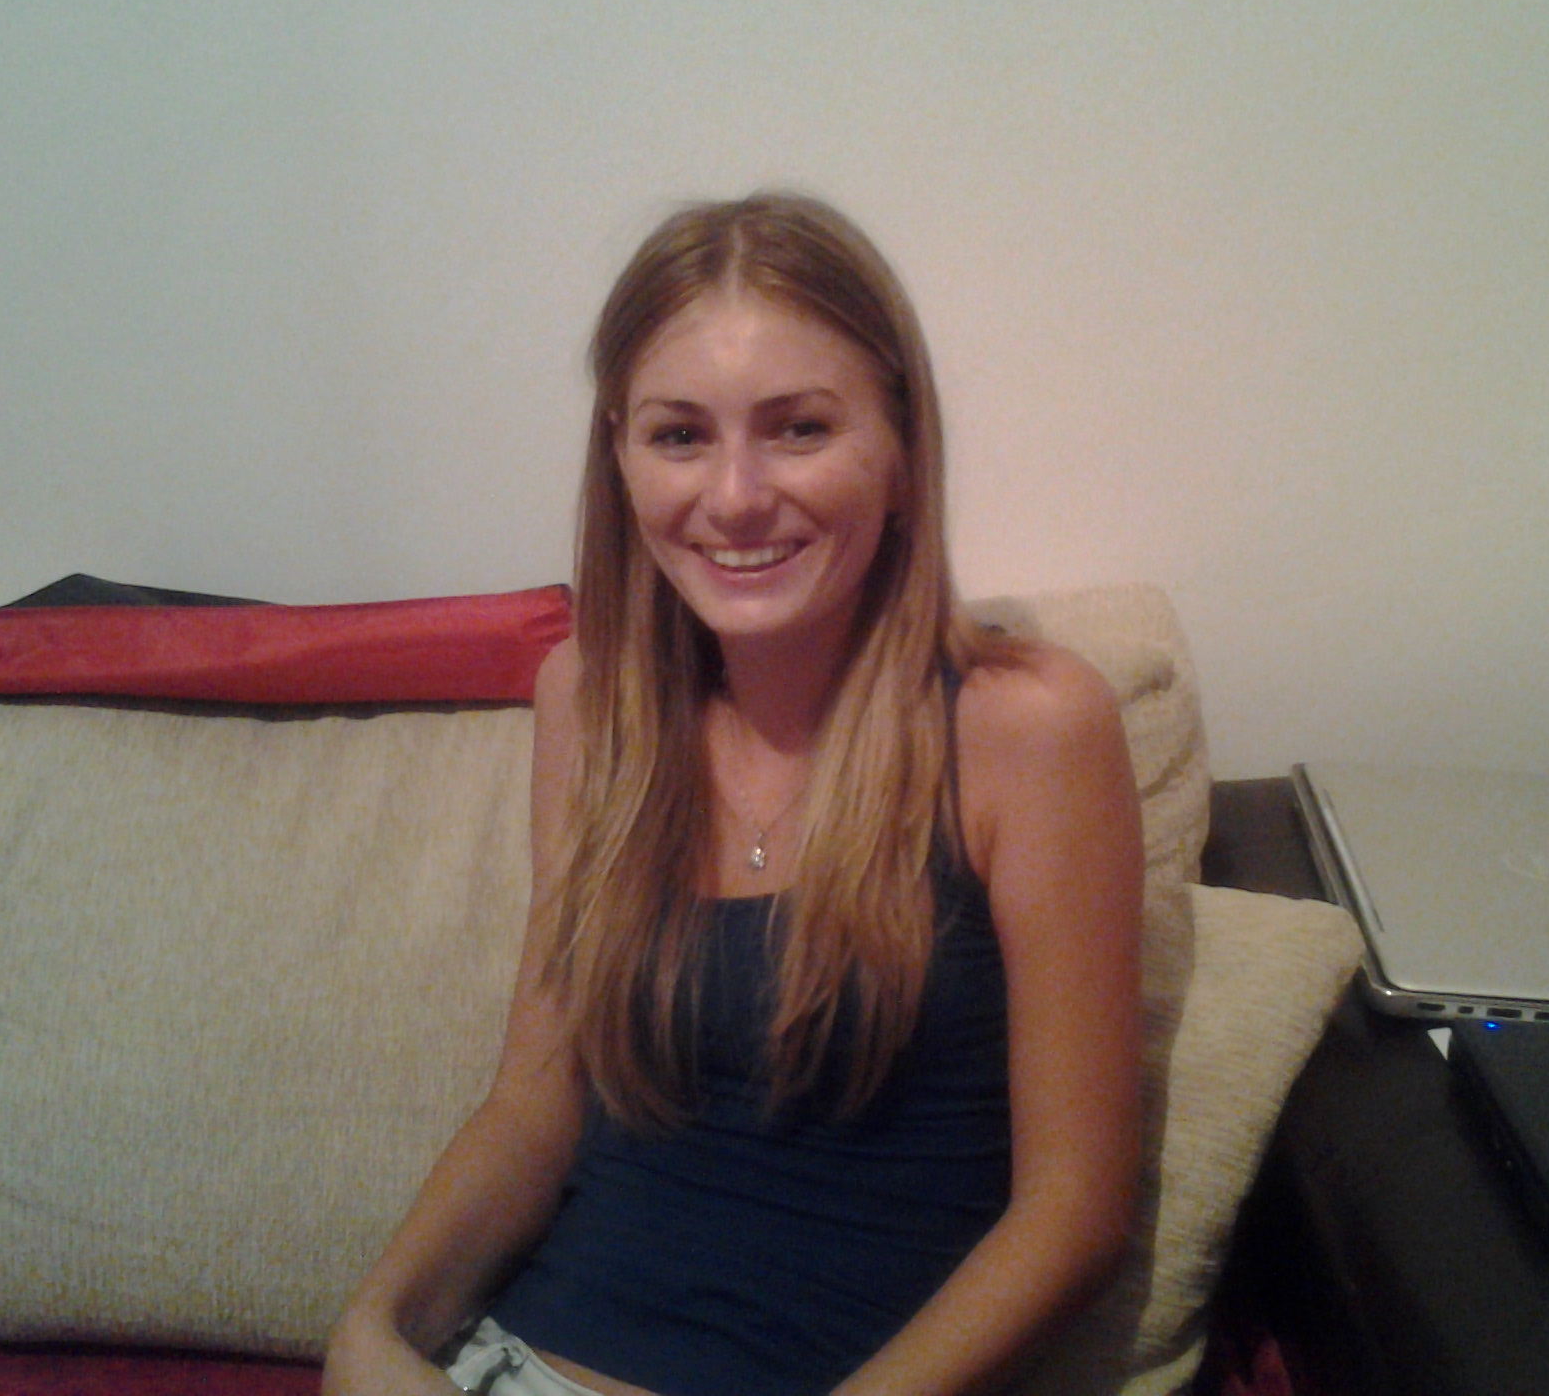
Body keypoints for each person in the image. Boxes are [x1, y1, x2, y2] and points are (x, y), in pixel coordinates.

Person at [322, 193, 1146, 1396]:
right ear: (619, 456)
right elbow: (535, 1104)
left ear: (900, 452)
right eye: (678, 436)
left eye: (799, 429)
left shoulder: (1029, 727)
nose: (736, 495)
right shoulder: (589, 703)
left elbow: (1072, 1211)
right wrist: (371, 1332)